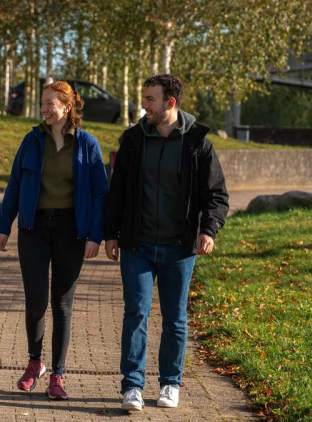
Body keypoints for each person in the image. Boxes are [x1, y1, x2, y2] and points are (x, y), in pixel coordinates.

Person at [103, 74, 229, 412]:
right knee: (136, 314)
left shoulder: (198, 141)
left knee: (175, 319)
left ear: (169, 104)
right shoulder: (132, 140)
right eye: (145, 98)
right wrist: (111, 233)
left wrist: (208, 230)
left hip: (179, 247)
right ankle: (132, 385)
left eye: (150, 99)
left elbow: (215, 194)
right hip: (137, 245)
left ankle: (170, 383)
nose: (144, 105)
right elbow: (117, 191)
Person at [0, 81, 108, 400]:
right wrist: (5, 226)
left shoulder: (87, 144)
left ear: (67, 107)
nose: (44, 108)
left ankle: (57, 374)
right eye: (42, 103)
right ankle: (35, 363)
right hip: (33, 229)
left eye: (50, 103)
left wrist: (95, 236)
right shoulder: (31, 141)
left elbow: (101, 193)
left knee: (62, 304)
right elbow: (15, 185)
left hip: (71, 230)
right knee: (35, 301)